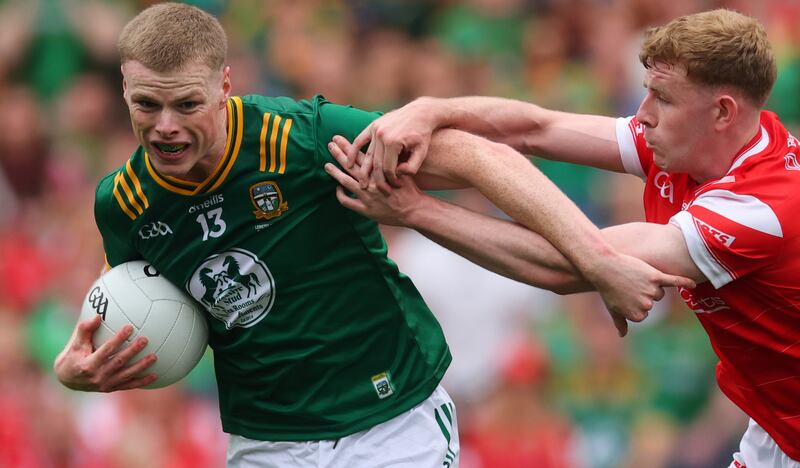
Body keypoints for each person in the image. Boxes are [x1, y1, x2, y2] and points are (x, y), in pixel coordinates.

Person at [51, 3, 691, 467]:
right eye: (146, 105)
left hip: (391, 423)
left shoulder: (301, 138)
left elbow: (475, 156)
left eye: (186, 104)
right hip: (265, 443)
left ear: (224, 87)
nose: (164, 126)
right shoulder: (123, 203)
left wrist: (596, 257)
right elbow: (152, 315)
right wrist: (80, 369)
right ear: (125, 91)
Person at [326, 8, 800, 468]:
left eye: (665, 99)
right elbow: (537, 128)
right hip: (774, 426)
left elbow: (570, 263)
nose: (643, 114)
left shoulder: (758, 211)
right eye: (646, 92)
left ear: (722, 112)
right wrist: (431, 110)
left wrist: (416, 210)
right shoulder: (697, 145)